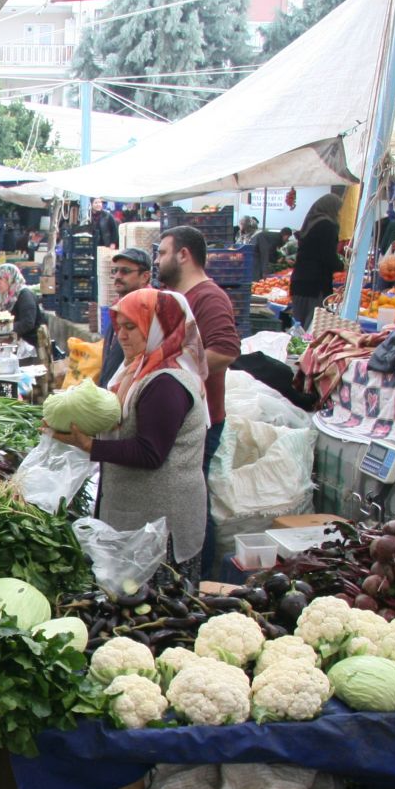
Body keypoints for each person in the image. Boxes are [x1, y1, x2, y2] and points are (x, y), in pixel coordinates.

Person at [49, 287, 209, 567]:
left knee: (159, 603)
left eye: (131, 327)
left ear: (159, 328)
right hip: (138, 517)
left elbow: (150, 453)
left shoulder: (166, 383)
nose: (121, 335)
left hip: (162, 524)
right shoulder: (137, 369)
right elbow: (122, 426)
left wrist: (89, 445)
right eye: (119, 327)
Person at [157, 226, 240, 576]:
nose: (158, 261)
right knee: (178, 502)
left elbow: (226, 350)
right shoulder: (178, 296)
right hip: (177, 419)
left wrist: (173, 372)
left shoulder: (209, 297)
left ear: (184, 255)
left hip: (200, 420)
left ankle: (202, 580)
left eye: (162, 253)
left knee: (192, 504)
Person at [288, 193, 344, 332]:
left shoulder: (310, 223)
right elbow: (327, 256)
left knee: (298, 327)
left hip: (299, 282)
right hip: (315, 284)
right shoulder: (327, 225)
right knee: (312, 328)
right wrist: (343, 266)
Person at [101, 248, 155, 383]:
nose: (118, 276)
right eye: (115, 271)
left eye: (125, 271)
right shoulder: (117, 308)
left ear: (145, 276)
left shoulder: (150, 310)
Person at [0, 263, 41, 353]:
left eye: (0, 279)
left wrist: (5, 328)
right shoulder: (5, 297)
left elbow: (28, 323)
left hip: (31, 346)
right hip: (16, 344)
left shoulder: (24, 295)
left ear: (11, 279)